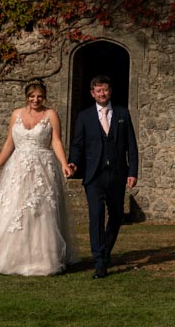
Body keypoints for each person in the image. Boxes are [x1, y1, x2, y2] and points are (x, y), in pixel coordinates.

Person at [0, 80, 80, 275]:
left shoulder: (51, 115)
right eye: (32, 96)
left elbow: (56, 141)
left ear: (44, 97)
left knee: (41, 211)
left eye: (39, 96)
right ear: (26, 97)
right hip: (17, 168)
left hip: (42, 168)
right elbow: (8, 143)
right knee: (12, 208)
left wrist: (64, 164)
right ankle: (6, 255)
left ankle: (42, 258)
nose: (36, 100)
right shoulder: (16, 114)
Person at [67, 75, 138, 279]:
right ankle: (99, 261)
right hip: (94, 175)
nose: (102, 93)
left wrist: (132, 171)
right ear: (92, 93)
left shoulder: (123, 114)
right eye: (98, 91)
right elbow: (78, 144)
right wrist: (74, 162)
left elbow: (131, 146)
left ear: (110, 91)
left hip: (117, 174)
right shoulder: (85, 116)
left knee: (116, 216)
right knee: (96, 217)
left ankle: (104, 251)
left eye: (105, 90)